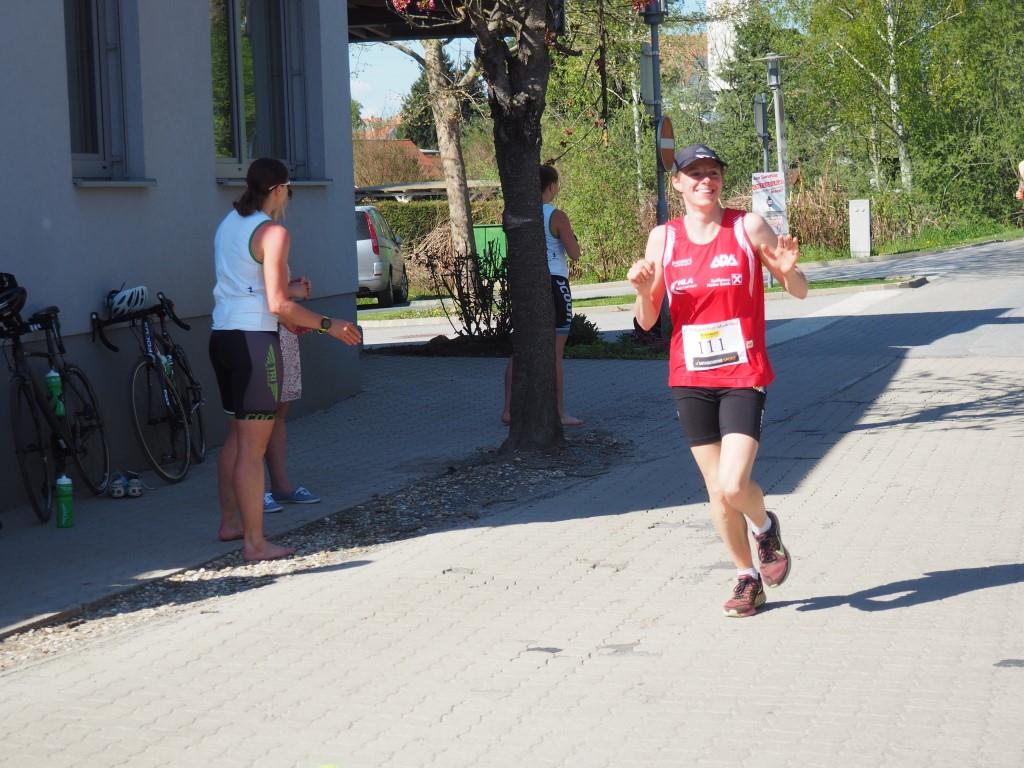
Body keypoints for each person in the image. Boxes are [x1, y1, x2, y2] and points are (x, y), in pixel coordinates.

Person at [627, 143, 808, 617]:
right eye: (695, 174)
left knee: (732, 483)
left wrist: (789, 273)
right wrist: (644, 292)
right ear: (678, 184)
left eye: (713, 173)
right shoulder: (663, 239)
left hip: (743, 373)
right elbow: (647, 321)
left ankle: (764, 527)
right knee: (716, 490)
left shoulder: (747, 227)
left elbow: (801, 290)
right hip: (690, 376)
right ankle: (747, 577)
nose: (706, 181)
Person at [210, 157, 361, 561]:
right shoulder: (274, 232)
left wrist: (292, 304)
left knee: (237, 437)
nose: (288, 198)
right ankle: (255, 543)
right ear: (278, 190)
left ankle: (231, 523)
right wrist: (328, 324)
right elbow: (277, 304)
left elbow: (249, 288)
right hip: (254, 343)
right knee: (252, 448)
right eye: (288, 191)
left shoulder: (229, 224)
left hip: (223, 336)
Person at [501, 164, 583, 427]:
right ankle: (559, 411)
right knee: (556, 352)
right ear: (551, 186)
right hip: (555, 282)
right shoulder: (557, 216)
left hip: (528, 284)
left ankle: (508, 410)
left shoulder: (520, 214)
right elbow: (575, 253)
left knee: (521, 348)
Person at [262, 281, 322, 515]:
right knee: (255, 418)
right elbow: (253, 287)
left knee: (278, 414)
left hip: (282, 329)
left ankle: (280, 486)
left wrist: (291, 285)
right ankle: (253, 490)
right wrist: (291, 290)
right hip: (257, 333)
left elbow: (273, 285)